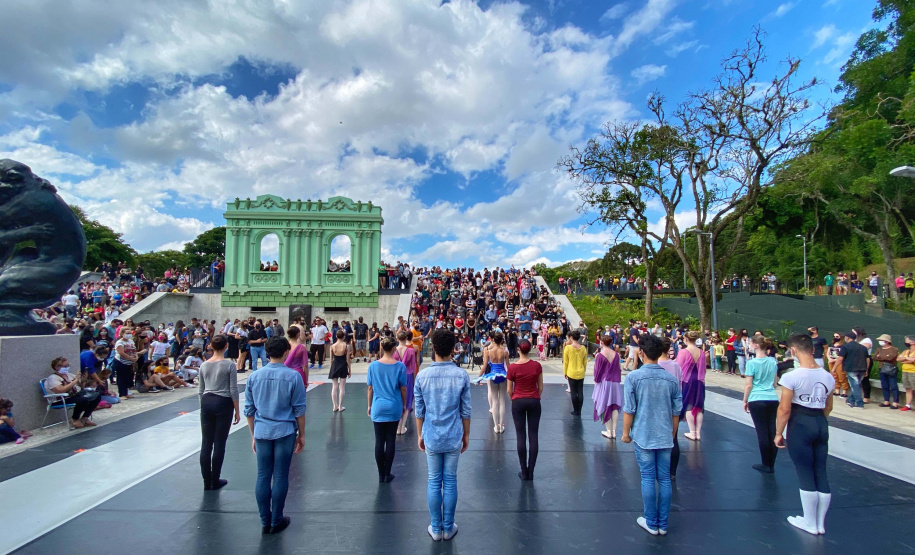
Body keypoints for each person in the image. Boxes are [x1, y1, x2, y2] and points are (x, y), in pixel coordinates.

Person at [244, 336, 307, 535]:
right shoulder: (293, 377)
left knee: (263, 475)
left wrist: (253, 435)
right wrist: (302, 434)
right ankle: (276, 519)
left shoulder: (254, 376)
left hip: (262, 430)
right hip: (285, 431)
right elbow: (299, 410)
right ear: (286, 352)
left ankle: (265, 519)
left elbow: (249, 410)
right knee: (280, 475)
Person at [775, 333, 835, 535]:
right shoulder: (827, 376)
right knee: (821, 471)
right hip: (820, 422)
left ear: (793, 351)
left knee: (804, 472)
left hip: (800, 424)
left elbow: (784, 410)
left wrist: (778, 433)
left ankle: (809, 522)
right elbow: (828, 406)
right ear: (812, 349)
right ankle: (820, 523)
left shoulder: (791, 376)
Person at [414, 328, 471, 542]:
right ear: (453, 349)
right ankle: (448, 527)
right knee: (450, 481)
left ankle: (436, 529)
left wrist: (420, 434)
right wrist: (466, 435)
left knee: (433, 480)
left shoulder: (422, 376)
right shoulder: (461, 375)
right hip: (454, 434)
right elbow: (465, 411)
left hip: (431, 435)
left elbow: (419, 411)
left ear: (434, 348)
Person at [622, 334, 682, 536]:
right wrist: (672, 434)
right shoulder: (671, 379)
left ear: (642, 353)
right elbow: (676, 412)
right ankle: (662, 524)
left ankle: (651, 521)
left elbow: (629, 409)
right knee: (664, 478)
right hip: (665, 435)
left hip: (643, 434)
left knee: (648, 477)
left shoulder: (634, 377)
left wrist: (625, 433)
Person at [198, 335, 240, 491]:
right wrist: (236, 409)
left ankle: (206, 480)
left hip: (206, 401)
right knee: (219, 442)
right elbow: (233, 389)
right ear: (226, 346)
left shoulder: (204, 365)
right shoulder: (229, 365)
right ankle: (215, 479)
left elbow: (200, 390)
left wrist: (202, 406)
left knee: (206, 442)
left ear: (211, 346)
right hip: (223, 401)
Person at [367, 336, 407, 483]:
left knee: (379, 440)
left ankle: (380, 474)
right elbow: (403, 388)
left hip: (378, 406)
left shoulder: (373, 366)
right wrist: (403, 405)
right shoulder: (400, 366)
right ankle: (387, 473)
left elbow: (370, 388)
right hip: (394, 406)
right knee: (390, 440)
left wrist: (370, 405)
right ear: (393, 348)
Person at [743, 335, 780, 474]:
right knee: (772, 430)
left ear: (755, 345)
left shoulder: (751, 363)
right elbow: (775, 383)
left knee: (762, 432)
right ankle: (772, 463)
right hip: (772, 398)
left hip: (756, 398)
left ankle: (765, 463)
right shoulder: (773, 361)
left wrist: (745, 400)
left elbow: (748, 385)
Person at [507, 340, 543, 480]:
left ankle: (524, 470)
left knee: (520, 435)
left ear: (518, 350)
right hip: (534, 400)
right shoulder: (536, 365)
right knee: (533, 435)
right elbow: (540, 387)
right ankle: (531, 471)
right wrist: (535, 396)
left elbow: (509, 390)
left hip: (518, 401)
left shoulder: (512, 368)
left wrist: (515, 399)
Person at [47, 357, 101, 429]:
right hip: (61, 399)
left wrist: (83, 380)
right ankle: (75, 419)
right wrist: (75, 381)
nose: (67, 368)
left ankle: (85, 417)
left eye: (68, 366)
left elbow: (80, 386)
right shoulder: (53, 378)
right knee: (82, 399)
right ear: (57, 367)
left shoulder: (69, 375)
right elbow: (61, 390)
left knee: (96, 395)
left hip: (74, 396)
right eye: (65, 366)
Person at [657, 337, 682, 479]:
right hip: (673, 405)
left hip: (658, 405)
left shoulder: (656, 365)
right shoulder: (676, 366)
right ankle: (672, 471)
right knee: (674, 438)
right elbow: (680, 386)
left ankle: (660, 469)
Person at [677, 331, 706, 441]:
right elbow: (703, 368)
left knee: (689, 405)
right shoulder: (701, 352)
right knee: (698, 406)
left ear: (686, 339)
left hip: (687, 380)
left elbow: (678, 367)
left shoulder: (683, 352)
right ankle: (698, 433)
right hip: (699, 380)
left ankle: (692, 432)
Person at [592, 334, 622, 439]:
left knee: (604, 405)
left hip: (605, 382)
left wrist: (596, 381)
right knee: (614, 406)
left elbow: (597, 371)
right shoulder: (616, 354)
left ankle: (609, 431)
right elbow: (619, 369)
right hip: (615, 383)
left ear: (601, 342)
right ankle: (613, 431)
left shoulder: (600, 355)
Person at [478, 332, 509, 433]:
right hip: (503, 375)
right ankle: (501, 423)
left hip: (493, 375)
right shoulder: (504, 351)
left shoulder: (488, 351)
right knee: (502, 401)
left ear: (493, 340)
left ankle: (496, 426)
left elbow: (484, 366)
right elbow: (508, 367)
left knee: (495, 401)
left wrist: (479, 377)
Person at [394, 330, 418, 435]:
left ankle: (397, 426)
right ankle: (402, 427)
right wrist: (414, 380)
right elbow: (413, 367)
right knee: (407, 401)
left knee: (397, 399)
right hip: (408, 376)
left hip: (395, 376)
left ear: (397, 339)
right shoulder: (411, 351)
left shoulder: (393, 350)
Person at [836, 331, 868, 409]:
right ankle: (851, 400)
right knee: (856, 385)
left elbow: (840, 358)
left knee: (855, 386)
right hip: (862, 368)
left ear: (848, 338)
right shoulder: (863, 347)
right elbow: (867, 359)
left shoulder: (846, 347)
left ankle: (859, 403)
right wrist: (866, 369)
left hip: (851, 368)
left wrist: (834, 368)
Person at [563, 330, 588, 417]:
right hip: (581, 371)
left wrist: (565, 372)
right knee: (580, 391)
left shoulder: (568, 348)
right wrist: (583, 370)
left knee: (573, 392)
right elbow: (585, 362)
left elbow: (566, 362)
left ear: (571, 337)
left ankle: (575, 410)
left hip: (571, 372)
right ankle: (579, 410)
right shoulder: (583, 348)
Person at [873, 334, 900, 409]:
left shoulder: (894, 349)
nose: (880, 342)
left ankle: (895, 402)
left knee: (893, 385)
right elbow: (875, 357)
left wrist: (880, 357)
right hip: (882, 368)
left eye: (881, 340)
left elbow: (891, 358)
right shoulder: (879, 349)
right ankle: (886, 401)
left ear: (887, 341)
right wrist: (885, 357)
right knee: (884, 385)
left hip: (891, 369)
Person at [328, 330, 352, 412]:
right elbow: (348, 359)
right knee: (342, 387)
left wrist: (332, 368)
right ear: (344, 336)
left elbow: (331, 360)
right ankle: (340, 406)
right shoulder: (346, 346)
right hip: (343, 365)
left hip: (335, 365)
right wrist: (349, 370)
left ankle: (335, 406)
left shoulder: (332, 346)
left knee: (334, 387)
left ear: (336, 336)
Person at [112, 328, 138, 399]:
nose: (129, 334)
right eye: (127, 333)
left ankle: (126, 392)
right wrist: (131, 358)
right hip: (121, 362)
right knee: (121, 379)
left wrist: (136, 357)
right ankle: (122, 394)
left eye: (130, 333)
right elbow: (121, 353)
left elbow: (134, 350)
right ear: (122, 334)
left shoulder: (131, 341)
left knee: (127, 378)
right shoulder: (119, 342)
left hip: (129, 363)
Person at [826, 333, 848, 397]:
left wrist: (835, 360)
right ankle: (837, 390)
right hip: (831, 362)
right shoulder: (831, 344)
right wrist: (829, 359)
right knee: (834, 376)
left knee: (841, 376)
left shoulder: (843, 346)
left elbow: (842, 356)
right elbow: (828, 352)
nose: (835, 337)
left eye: (837, 336)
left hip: (839, 362)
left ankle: (844, 391)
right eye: (834, 336)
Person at [900, 336, 915, 411]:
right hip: (905, 371)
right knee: (908, 388)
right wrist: (908, 359)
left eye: (907, 340)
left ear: (913, 342)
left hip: (913, 372)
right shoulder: (906, 351)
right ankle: (908, 405)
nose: (906, 342)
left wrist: (905, 358)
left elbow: (913, 360)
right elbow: (898, 359)